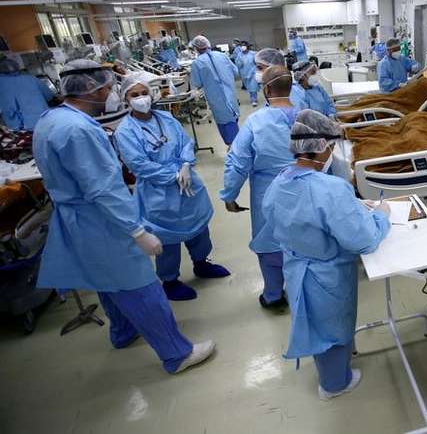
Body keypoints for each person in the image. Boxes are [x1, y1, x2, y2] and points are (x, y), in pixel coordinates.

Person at [32, 59, 214, 374]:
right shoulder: (79, 130)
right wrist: (136, 231)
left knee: (107, 282)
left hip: (81, 221)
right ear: (93, 88)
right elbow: (103, 188)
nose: (110, 93)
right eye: (107, 87)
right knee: (141, 285)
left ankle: (123, 331)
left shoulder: (51, 120)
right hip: (103, 221)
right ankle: (176, 354)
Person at [262, 109, 391, 400]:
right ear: (322, 147)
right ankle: (335, 384)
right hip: (327, 275)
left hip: (297, 269)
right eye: (332, 146)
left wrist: (354, 208)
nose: (333, 152)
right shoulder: (332, 188)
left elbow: (293, 218)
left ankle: (335, 370)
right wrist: (381, 216)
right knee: (332, 329)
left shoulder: (279, 182)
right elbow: (363, 241)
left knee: (317, 324)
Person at [114, 72, 231, 301]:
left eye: (144, 92)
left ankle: (201, 263)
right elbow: (139, 165)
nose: (141, 98)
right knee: (166, 236)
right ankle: (169, 280)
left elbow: (185, 142)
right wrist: (174, 175)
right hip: (157, 190)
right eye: (135, 94)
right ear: (125, 99)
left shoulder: (166, 119)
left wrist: (186, 164)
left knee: (197, 225)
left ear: (152, 93)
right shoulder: (125, 131)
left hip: (187, 184)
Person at [220, 65, 298, 309]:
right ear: (290, 86)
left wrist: (230, 195)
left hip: (269, 193)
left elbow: (238, 162)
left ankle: (274, 295)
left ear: (266, 89)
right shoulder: (308, 115)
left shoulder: (256, 122)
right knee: (305, 240)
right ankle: (301, 291)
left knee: (270, 241)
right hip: (307, 189)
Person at [189, 35, 240, 146]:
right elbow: (236, 72)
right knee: (233, 118)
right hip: (230, 95)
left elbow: (197, 83)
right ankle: (235, 146)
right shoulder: (223, 56)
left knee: (224, 123)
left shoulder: (197, 63)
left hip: (216, 98)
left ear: (196, 48)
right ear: (208, 44)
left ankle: (233, 147)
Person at [0, 57, 56, 131]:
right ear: (18, 68)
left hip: (16, 128)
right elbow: (49, 96)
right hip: (43, 122)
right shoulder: (31, 78)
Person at [236, 41, 260, 107]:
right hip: (244, 73)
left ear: (247, 46)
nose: (242, 47)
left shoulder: (253, 54)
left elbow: (257, 62)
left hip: (252, 72)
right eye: (241, 46)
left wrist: (257, 70)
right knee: (249, 87)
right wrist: (240, 61)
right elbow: (238, 65)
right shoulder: (239, 55)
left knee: (253, 86)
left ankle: (254, 100)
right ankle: (252, 97)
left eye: (244, 45)